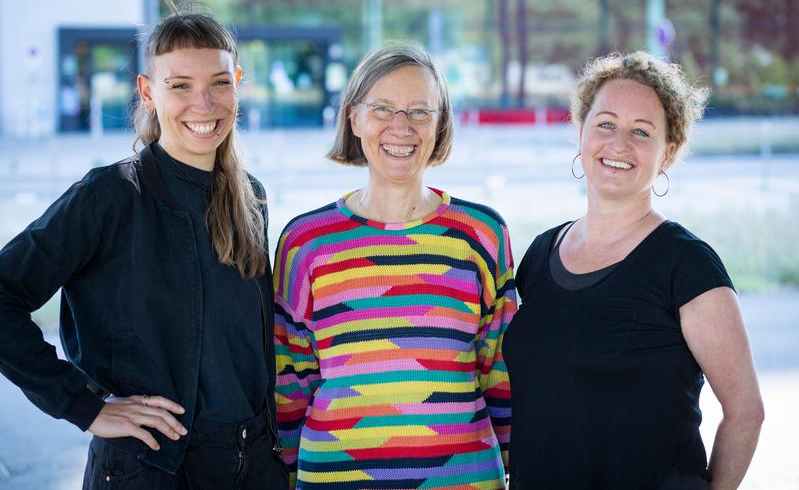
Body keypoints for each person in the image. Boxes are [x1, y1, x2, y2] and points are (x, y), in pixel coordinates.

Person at [0, 6, 288, 489]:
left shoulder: (250, 195)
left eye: (220, 82)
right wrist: (84, 406)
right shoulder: (108, 196)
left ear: (238, 83)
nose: (204, 103)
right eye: (179, 85)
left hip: (254, 462)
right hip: (152, 469)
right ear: (147, 92)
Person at [504, 51, 764, 490]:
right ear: (581, 131)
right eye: (605, 123)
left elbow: (746, 411)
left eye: (641, 132)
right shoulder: (540, 254)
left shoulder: (686, 266)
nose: (619, 143)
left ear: (669, 152)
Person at [272, 42, 516, 489]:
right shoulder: (305, 243)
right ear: (354, 118)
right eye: (382, 108)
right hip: (334, 478)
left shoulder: (481, 236)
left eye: (420, 111)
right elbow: (291, 383)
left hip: (462, 479)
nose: (401, 127)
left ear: (440, 124)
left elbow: (499, 371)